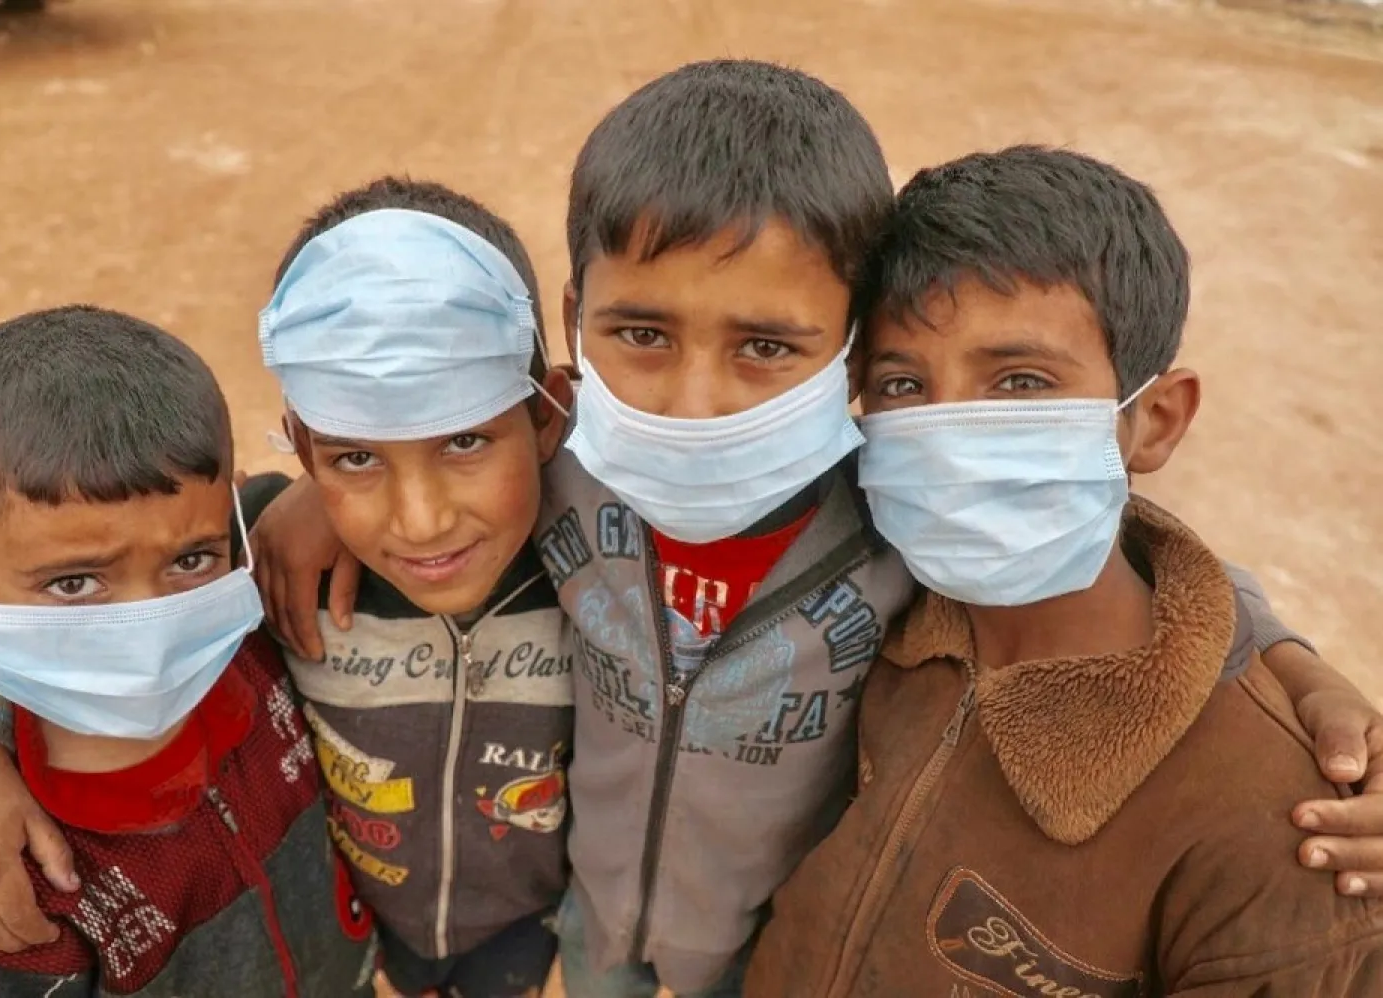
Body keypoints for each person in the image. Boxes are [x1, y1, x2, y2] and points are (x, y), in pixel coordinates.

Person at [247, 62, 1383, 997]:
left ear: (847, 350)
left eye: (767, 346)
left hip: (772, 963)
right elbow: (432, 459)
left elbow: (1106, 542)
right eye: (640, 333)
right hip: (590, 948)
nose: (693, 402)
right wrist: (314, 495)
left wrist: (1289, 662)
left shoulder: (908, 509)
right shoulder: (565, 467)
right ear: (572, 327)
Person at [0, 180, 576, 998]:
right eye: (355, 455)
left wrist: (328, 491)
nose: (420, 522)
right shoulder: (248, 564)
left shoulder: (596, 550)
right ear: (304, 446)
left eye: (464, 437)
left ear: (546, 421)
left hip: (520, 934)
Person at [744, 145, 1383, 996]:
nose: (950, 439)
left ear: (1153, 421)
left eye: (1019, 382)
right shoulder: (879, 599)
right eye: (901, 385)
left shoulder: (1276, 825)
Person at [0, 305, 378, 996]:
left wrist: (333, 494)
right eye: (75, 582)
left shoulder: (253, 590)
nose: (148, 622)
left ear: (233, 523)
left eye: (190, 561)